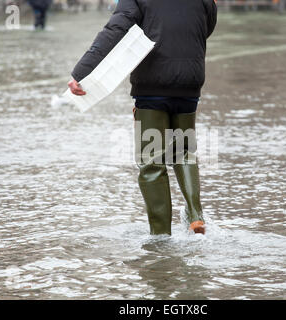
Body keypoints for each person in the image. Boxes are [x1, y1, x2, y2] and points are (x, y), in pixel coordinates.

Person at [68, 0, 217, 235]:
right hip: (190, 80)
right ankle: (196, 214)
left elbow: (115, 30)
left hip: (152, 83)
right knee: (184, 151)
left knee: (152, 163)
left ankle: (160, 238)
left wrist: (82, 72)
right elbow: (206, 26)